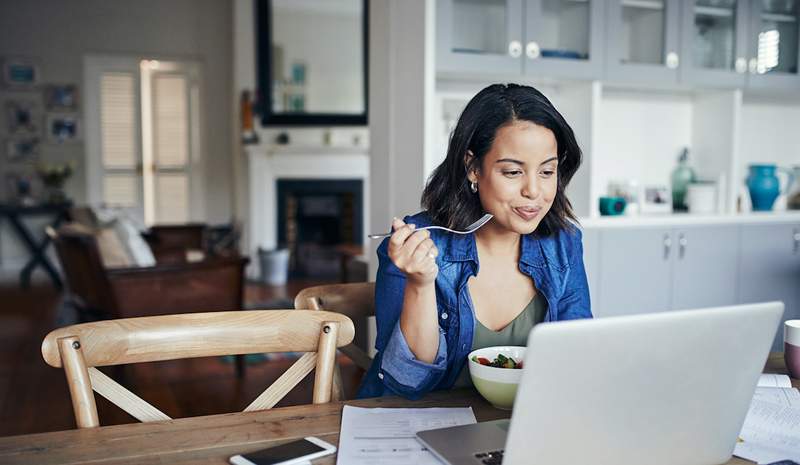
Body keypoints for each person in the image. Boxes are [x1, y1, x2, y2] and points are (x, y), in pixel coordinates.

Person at [357, 83, 592, 400]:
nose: (534, 191)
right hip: (416, 427)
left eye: (547, 171)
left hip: (516, 428)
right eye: (512, 172)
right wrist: (420, 284)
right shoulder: (417, 244)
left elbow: (577, 357)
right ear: (473, 168)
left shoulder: (563, 244)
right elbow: (408, 382)